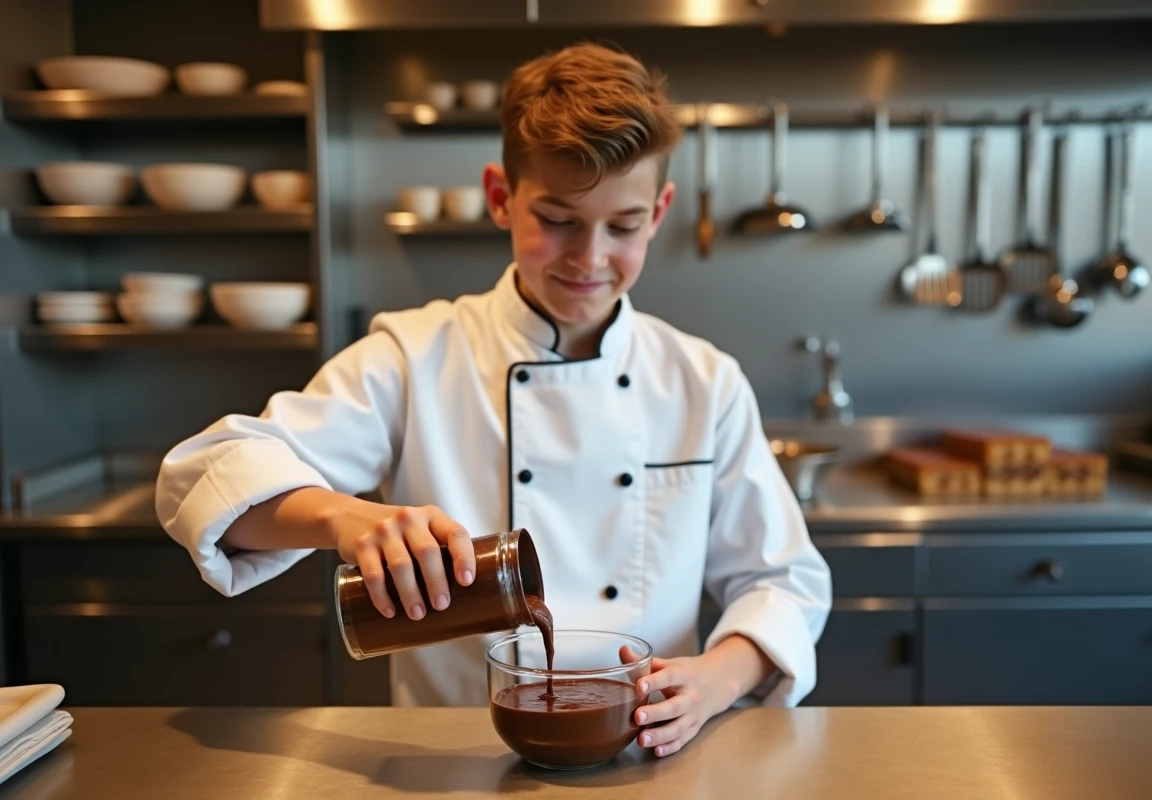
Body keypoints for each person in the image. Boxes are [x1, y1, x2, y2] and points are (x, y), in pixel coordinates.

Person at [156, 42, 831, 758]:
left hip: (648, 758)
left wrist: (716, 681)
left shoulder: (703, 380)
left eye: (624, 226)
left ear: (660, 211)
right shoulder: (415, 356)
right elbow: (206, 475)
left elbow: (782, 581)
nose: (591, 257)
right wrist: (345, 519)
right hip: (458, 762)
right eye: (560, 219)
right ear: (500, 197)